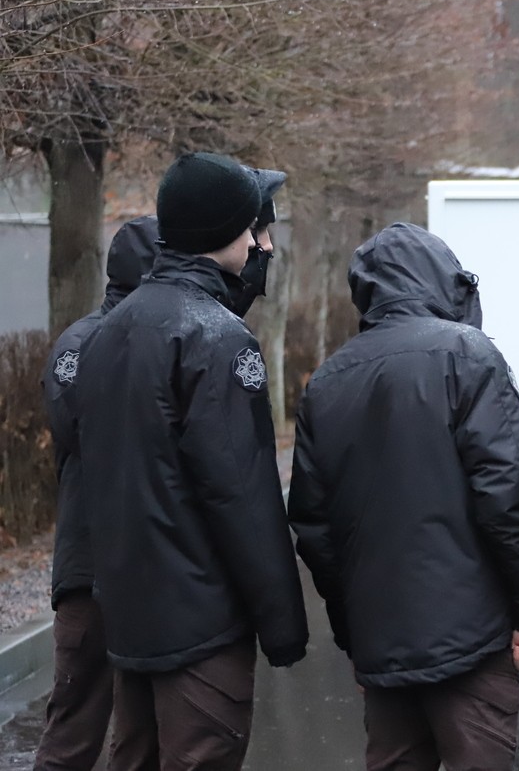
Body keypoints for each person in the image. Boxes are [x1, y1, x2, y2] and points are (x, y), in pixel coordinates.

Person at [288, 222, 519, 771]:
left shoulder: (328, 381)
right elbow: (508, 495)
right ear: (442, 280)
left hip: (382, 645)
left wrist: (356, 640)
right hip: (472, 642)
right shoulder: (469, 355)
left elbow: (315, 529)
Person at [76, 152, 308, 768]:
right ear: (222, 230)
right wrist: (283, 626)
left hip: (130, 618)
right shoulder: (216, 336)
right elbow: (242, 496)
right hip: (201, 625)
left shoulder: (109, 330)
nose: (260, 244)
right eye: (251, 228)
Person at [34, 216, 157, 771]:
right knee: (76, 730)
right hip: (91, 569)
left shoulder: (104, 338)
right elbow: (78, 428)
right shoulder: (85, 343)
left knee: (136, 732)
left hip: (127, 566)